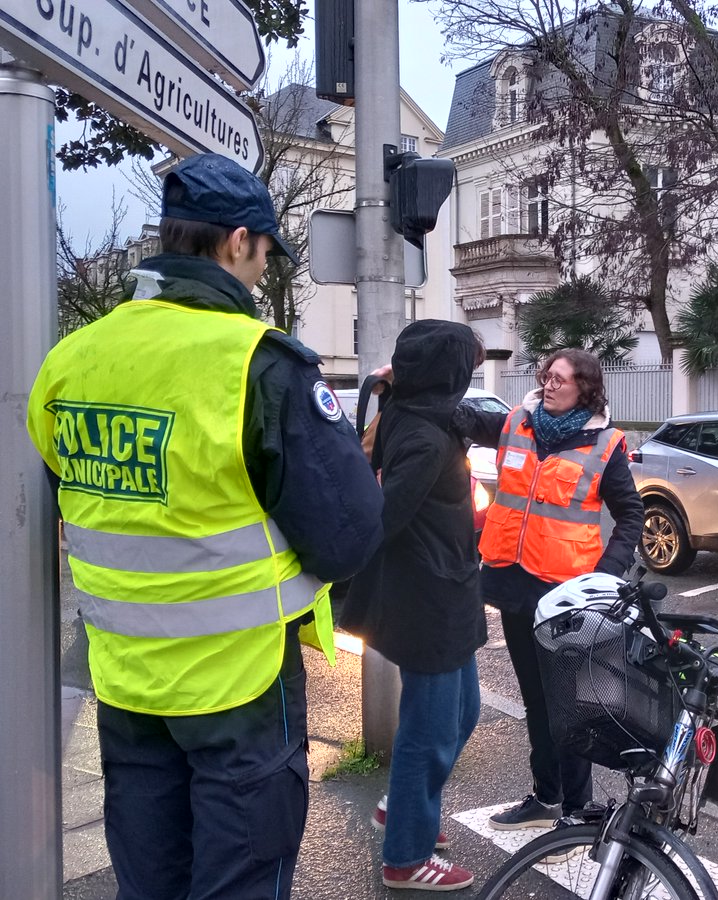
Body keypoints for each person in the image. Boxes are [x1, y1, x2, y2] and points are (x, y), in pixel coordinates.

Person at [26, 153, 384, 900]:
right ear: (237, 242)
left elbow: (71, 499)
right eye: (263, 254)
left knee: (148, 879)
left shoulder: (70, 361)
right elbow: (347, 537)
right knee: (239, 881)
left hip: (125, 682)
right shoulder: (259, 364)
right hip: (239, 684)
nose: (260, 271)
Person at [453, 348, 644, 831]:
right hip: (514, 587)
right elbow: (460, 416)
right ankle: (546, 796)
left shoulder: (605, 444)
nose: (549, 383)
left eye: (559, 378)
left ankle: (576, 808)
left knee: (569, 704)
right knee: (536, 701)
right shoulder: (518, 421)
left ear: (585, 387)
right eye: (546, 375)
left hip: (566, 597)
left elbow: (631, 516)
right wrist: (415, 384)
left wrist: (605, 576)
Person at [339, 320, 488, 892]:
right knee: (429, 729)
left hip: (448, 591)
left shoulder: (416, 411)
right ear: (446, 374)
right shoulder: (426, 437)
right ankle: (406, 854)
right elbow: (383, 517)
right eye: (466, 367)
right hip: (427, 600)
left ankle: (398, 806)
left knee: (463, 712)